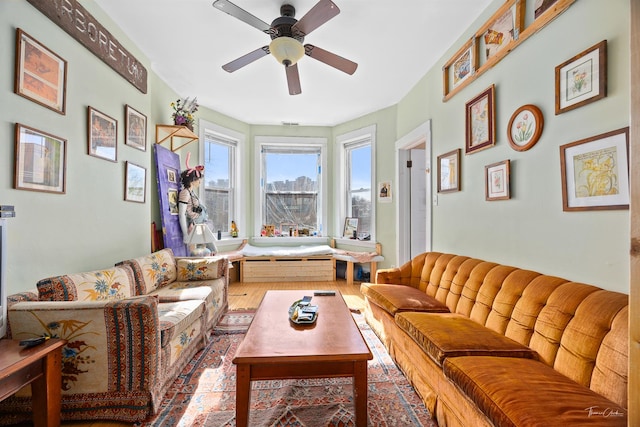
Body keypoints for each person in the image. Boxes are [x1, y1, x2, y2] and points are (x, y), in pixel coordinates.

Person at [178, 153, 217, 255]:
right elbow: (181, 214)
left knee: (213, 251)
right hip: (194, 227)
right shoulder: (185, 193)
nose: (200, 182)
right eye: (199, 179)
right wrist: (185, 234)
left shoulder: (192, 192)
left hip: (201, 225)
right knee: (202, 253)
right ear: (193, 180)